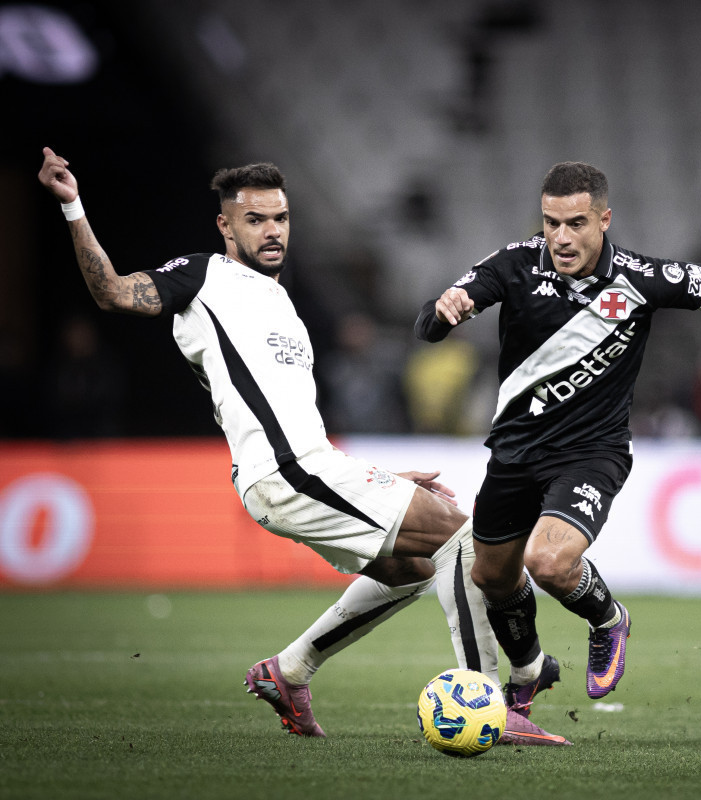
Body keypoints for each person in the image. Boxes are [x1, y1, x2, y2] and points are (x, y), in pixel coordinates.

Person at [36, 147, 569, 746]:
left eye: (281, 218)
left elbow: (298, 428)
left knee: (414, 566)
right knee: (460, 535)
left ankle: (288, 672)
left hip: (305, 467)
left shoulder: (283, 304)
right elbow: (112, 292)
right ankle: (493, 703)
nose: (271, 231)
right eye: (255, 219)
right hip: (281, 472)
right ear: (226, 226)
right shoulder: (204, 275)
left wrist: (386, 480)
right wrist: (73, 205)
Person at [416, 161, 701, 715]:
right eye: (551, 222)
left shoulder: (641, 277)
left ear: (604, 219)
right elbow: (429, 326)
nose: (560, 237)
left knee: (550, 561)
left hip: (592, 453)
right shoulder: (512, 265)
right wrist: (444, 314)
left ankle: (608, 620)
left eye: (576, 223)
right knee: (490, 575)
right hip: (514, 453)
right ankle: (529, 670)